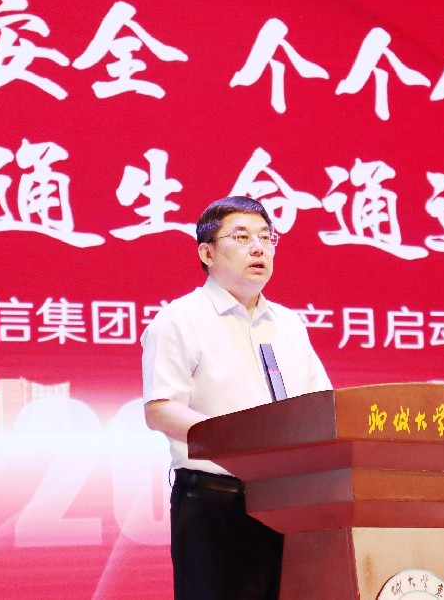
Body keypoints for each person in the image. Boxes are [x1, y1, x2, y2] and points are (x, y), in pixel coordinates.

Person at [141, 196, 332, 599]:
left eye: (266, 237)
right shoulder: (180, 319)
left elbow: (321, 404)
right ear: (207, 253)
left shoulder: (289, 324)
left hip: (293, 503)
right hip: (217, 504)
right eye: (242, 237)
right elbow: (161, 410)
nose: (258, 248)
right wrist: (241, 439)